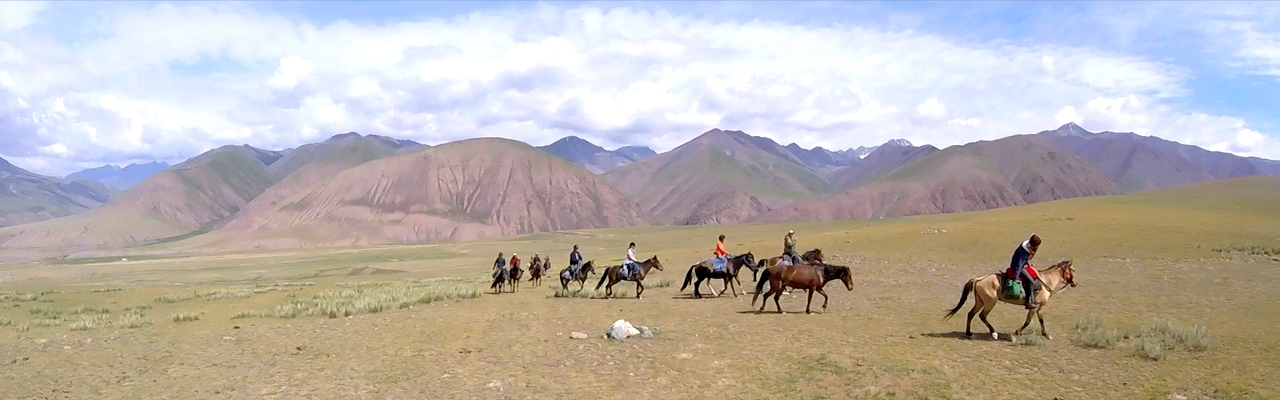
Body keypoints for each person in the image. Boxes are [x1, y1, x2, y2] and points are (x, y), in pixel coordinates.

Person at [1010, 234, 1041, 309]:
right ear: (1034, 246)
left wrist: (1028, 264)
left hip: (1023, 265)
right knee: (1031, 282)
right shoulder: (1024, 253)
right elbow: (1019, 264)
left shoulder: (1027, 246)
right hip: (1018, 268)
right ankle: (1028, 302)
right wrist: (1016, 276)